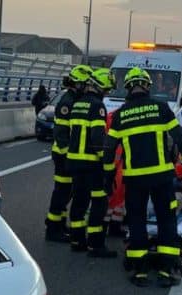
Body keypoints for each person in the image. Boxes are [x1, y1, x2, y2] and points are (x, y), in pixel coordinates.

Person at [105, 67, 182, 287]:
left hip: (134, 179)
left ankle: (139, 271)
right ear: (147, 85)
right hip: (161, 177)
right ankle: (167, 270)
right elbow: (180, 137)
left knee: (136, 221)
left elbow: (109, 150)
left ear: (128, 87)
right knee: (167, 220)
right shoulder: (161, 108)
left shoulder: (120, 115)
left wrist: (108, 176)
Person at [66, 67, 118, 258]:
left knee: (79, 201)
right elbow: (97, 138)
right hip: (91, 164)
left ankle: (77, 240)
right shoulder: (98, 106)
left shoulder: (78, 103)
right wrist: (106, 163)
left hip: (74, 161)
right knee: (99, 202)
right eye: (107, 90)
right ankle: (95, 245)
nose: (107, 94)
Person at [44, 64, 93, 242]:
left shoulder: (73, 99)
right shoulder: (67, 102)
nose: (87, 88)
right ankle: (52, 228)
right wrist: (68, 155)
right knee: (62, 192)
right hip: (63, 155)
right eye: (85, 85)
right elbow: (61, 133)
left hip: (67, 156)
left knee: (67, 192)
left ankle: (59, 224)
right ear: (78, 84)